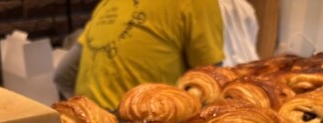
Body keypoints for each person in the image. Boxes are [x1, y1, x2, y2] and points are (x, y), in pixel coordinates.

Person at [54, 0, 226, 111]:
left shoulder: (107, 3)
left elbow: (62, 75)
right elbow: (210, 81)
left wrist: (92, 114)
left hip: (87, 122)